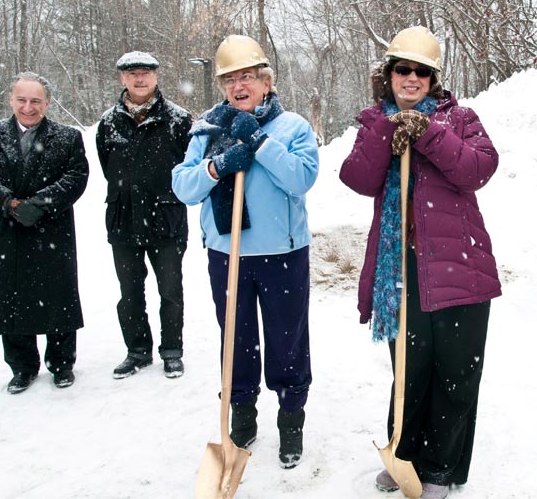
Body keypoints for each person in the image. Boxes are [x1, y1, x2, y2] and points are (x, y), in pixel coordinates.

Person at [339, 26, 501, 499]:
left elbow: (477, 169)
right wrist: (385, 134)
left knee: (455, 373)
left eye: (421, 71)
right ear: (388, 75)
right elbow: (357, 178)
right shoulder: (374, 120)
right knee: (410, 369)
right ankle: (404, 454)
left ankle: (440, 467)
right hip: (401, 269)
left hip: (459, 268)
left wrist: (429, 134)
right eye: (402, 69)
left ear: (434, 78)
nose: (411, 78)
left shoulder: (460, 118)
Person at [172, 35, 319, 468]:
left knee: (287, 338)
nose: (239, 86)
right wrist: (218, 165)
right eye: (231, 79)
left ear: (266, 82)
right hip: (227, 252)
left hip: (283, 253)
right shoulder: (206, 128)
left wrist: (258, 142)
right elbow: (183, 186)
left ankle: (291, 420)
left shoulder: (291, 127)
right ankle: (243, 413)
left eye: (248, 77)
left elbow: (300, 178)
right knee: (235, 338)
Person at [0, 71, 89, 394]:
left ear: (47, 103)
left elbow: (76, 177)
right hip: (9, 232)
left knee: (58, 295)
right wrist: (8, 203)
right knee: (11, 295)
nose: (28, 107)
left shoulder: (67, 138)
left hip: (53, 229)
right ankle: (22, 366)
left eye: (36, 100)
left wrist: (40, 204)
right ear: (11, 100)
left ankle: (62, 363)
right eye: (21, 99)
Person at [96, 51, 192, 380]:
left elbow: (187, 166)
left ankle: (172, 350)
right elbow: (107, 165)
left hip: (166, 220)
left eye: (146, 73)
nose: (140, 79)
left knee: (170, 291)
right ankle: (137, 350)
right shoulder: (109, 122)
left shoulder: (178, 120)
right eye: (132, 73)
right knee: (130, 292)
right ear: (122, 78)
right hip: (123, 220)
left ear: (156, 77)